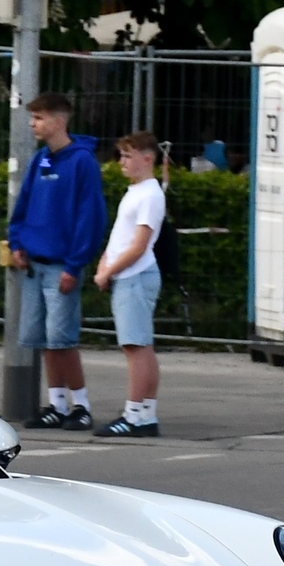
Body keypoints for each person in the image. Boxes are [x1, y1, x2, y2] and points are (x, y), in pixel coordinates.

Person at [5, 91, 107, 429]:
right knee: (46, 341)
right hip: (35, 264)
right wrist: (18, 242)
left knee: (62, 339)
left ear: (59, 121)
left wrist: (74, 264)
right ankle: (58, 404)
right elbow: (24, 205)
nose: (33, 124)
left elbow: (88, 217)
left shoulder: (82, 162)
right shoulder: (40, 160)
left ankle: (81, 405)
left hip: (61, 264)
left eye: (39, 118)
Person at [93, 132, 167, 437]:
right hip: (129, 275)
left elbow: (138, 245)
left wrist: (107, 271)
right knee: (141, 346)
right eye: (121, 155)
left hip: (135, 276)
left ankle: (134, 414)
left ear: (147, 159)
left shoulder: (150, 194)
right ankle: (145, 414)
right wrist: (105, 264)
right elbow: (120, 237)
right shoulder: (137, 191)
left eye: (128, 155)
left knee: (136, 347)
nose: (122, 161)